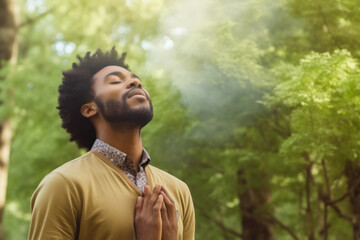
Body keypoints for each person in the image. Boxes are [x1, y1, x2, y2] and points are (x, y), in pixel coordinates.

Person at [28, 48, 195, 240]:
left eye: (136, 80)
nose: (135, 82)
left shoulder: (179, 190)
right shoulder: (64, 185)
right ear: (90, 109)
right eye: (115, 81)